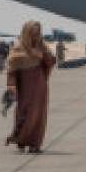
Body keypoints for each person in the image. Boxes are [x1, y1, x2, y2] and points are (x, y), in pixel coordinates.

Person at [5, 21, 56, 153]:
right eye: (33, 32)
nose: (35, 35)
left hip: (40, 85)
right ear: (26, 32)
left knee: (38, 114)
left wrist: (43, 53)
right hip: (24, 86)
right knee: (23, 112)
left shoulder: (42, 47)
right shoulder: (17, 49)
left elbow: (50, 62)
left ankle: (35, 143)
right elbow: (12, 70)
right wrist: (11, 85)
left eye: (38, 32)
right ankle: (21, 139)